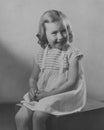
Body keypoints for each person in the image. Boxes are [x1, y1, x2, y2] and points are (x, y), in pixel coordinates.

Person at [15, 9, 86, 130]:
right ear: (44, 35)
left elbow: (71, 82)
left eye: (64, 31)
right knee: (19, 117)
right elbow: (33, 78)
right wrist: (33, 89)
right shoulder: (41, 54)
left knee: (38, 117)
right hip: (44, 91)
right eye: (54, 33)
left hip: (66, 92)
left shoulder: (73, 54)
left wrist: (49, 94)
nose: (61, 36)